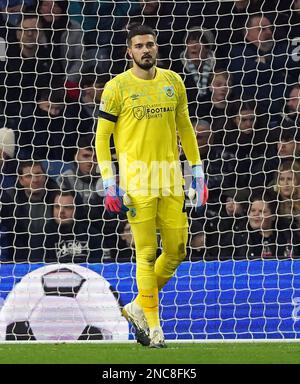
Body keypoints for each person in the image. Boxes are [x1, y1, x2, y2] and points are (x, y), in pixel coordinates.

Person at [96, 24, 208, 348]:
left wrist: (196, 171)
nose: (146, 50)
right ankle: (155, 327)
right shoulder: (116, 88)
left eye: (150, 44)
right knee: (145, 253)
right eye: (139, 46)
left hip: (171, 179)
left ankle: (136, 307)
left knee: (177, 251)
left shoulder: (173, 81)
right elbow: (102, 139)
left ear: (156, 47)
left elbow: (185, 127)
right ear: (128, 52)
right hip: (137, 183)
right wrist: (109, 180)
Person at [43, 190, 103, 263]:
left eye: (67, 207)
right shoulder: (43, 234)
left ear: (77, 210)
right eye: (57, 207)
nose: (61, 211)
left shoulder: (92, 234)